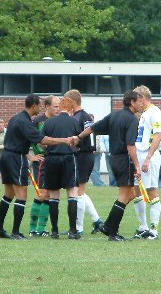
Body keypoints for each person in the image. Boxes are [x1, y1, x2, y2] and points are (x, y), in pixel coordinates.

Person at [0, 94, 74, 240]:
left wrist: (29, 156)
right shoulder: (25, 122)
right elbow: (43, 140)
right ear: (34, 106)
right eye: (39, 105)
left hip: (6, 157)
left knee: (8, 195)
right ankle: (15, 232)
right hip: (16, 159)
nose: (40, 108)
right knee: (21, 195)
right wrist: (64, 140)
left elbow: (17, 139)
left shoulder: (16, 118)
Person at [76, 90, 142, 241]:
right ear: (131, 102)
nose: (141, 104)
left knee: (131, 194)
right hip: (124, 159)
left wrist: (78, 137)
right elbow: (131, 145)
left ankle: (109, 227)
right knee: (124, 196)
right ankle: (110, 230)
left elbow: (93, 128)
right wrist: (137, 165)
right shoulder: (132, 119)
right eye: (139, 101)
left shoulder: (114, 115)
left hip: (114, 159)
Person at [65, 89, 103, 235]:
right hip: (85, 155)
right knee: (80, 191)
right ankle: (97, 220)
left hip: (82, 155)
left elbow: (81, 138)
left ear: (73, 102)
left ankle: (78, 228)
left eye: (66, 101)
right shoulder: (84, 116)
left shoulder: (79, 117)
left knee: (78, 192)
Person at [42, 97, 81, 239]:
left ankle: (54, 231)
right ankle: (72, 231)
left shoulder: (49, 122)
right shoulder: (75, 122)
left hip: (51, 160)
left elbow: (42, 142)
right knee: (72, 193)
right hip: (68, 159)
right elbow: (79, 143)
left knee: (53, 196)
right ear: (71, 109)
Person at [132, 85, 161, 240]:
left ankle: (154, 229)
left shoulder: (155, 112)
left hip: (148, 156)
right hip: (140, 155)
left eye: (136, 99)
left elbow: (158, 136)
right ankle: (142, 227)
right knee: (136, 191)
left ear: (142, 98)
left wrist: (148, 157)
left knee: (151, 191)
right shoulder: (144, 113)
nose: (134, 102)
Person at [28, 95, 60, 237]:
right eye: (55, 106)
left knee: (48, 195)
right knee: (43, 194)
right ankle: (33, 228)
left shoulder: (58, 121)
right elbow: (24, 140)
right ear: (47, 106)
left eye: (59, 106)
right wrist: (30, 156)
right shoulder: (37, 122)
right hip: (42, 162)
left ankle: (40, 230)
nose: (58, 109)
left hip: (54, 162)